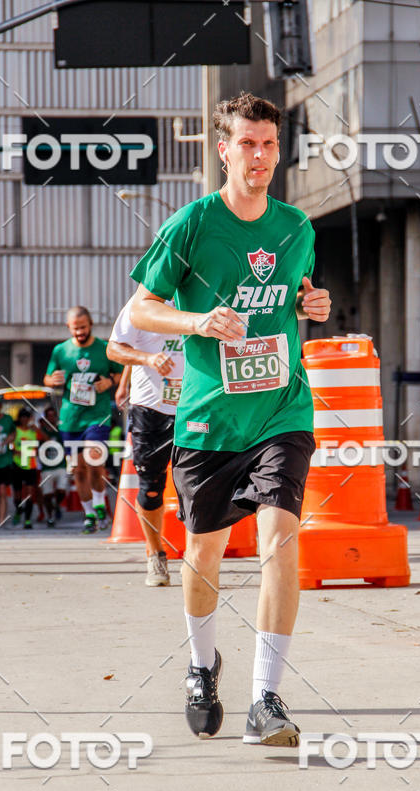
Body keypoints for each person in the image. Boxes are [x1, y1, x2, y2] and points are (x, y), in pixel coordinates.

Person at [128, 92, 331, 746]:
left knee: (280, 544)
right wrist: (198, 321)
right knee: (204, 553)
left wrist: (313, 303)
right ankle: (200, 665)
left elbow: (296, 293)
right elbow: (141, 310)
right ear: (224, 149)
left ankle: (266, 698)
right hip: (209, 422)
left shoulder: (297, 227)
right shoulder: (190, 226)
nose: (261, 156)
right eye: (248, 143)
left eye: (270, 144)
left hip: (281, 409)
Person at [107, 299, 184, 586]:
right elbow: (116, 348)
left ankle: (199, 557)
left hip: (193, 406)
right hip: (150, 408)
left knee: (197, 484)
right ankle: (156, 556)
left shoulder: (198, 295)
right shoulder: (140, 304)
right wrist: (147, 360)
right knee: (151, 489)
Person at [44, 306, 122, 533]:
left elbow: (120, 372)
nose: (80, 332)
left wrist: (109, 382)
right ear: (69, 327)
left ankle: (100, 506)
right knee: (78, 469)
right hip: (70, 418)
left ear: (91, 325)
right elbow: (47, 378)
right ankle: (89, 515)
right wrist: (52, 380)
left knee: (95, 459)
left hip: (97, 415)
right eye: (75, 329)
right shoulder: (61, 351)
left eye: (84, 328)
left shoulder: (104, 348)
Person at [37, 405, 67, 527]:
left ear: (55, 417)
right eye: (48, 416)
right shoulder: (40, 431)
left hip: (61, 465)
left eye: (52, 416)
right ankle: (50, 517)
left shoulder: (61, 430)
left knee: (61, 491)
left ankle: (57, 504)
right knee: (47, 494)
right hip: (46, 466)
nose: (51, 418)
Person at [12, 407, 38, 529]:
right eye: (22, 417)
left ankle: (27, 520)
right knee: (17, 495)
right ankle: (18, 510)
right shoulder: (15, 431)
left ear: (29, 419)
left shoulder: (33, 431)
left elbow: (47, 440)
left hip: (30, 466)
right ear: (20, 418)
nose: (24, 419)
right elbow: (9, 444)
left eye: (26, 417)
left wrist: (38, 430)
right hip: (17, 466)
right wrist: (14, 451)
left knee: (29, 494)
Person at [0, 398, 16, 527]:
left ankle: (2, 520)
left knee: (3, 490)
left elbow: (14, 432)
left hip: (4, 460)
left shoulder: (8, 419)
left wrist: (9, 439)